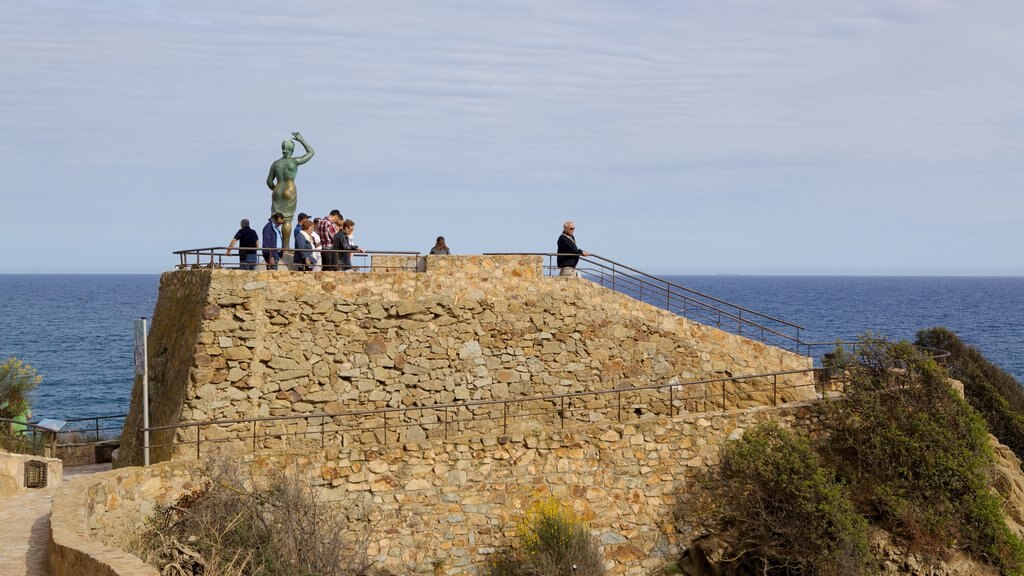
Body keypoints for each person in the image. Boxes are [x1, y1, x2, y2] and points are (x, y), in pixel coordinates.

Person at [266, 132, 314, 250]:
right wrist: (301, 140)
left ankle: (273, 246)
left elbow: (268, 181)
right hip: (289, 190)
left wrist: (275, 190)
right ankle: (286, 247)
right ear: (292, 150)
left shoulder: (276, 164)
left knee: (275, 219)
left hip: (277, 191)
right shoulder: (294, 162)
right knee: (287, 220)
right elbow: (311, 152)